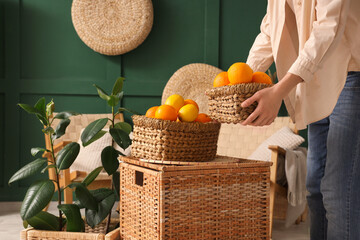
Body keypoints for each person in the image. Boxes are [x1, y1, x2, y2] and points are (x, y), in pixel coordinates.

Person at [241, 0, 360, 239]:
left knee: (338, 192)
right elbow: (269, 31)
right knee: (315, 189)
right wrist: (239, 84)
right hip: (315, 80)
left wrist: (279, 90)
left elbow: (328, 28)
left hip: (350, 76)